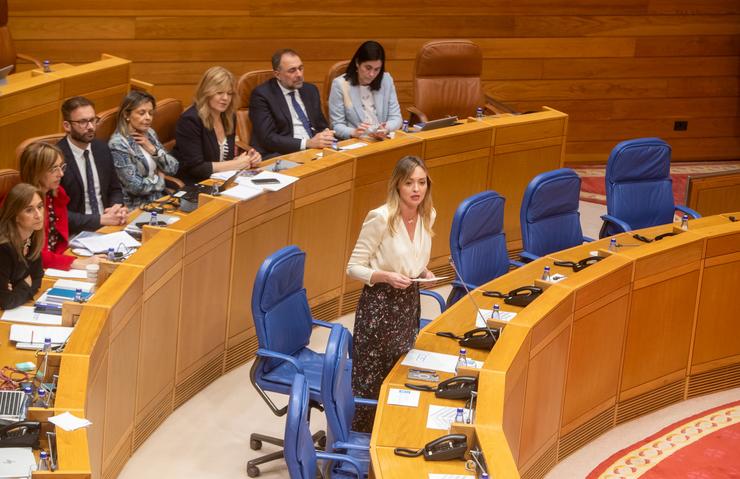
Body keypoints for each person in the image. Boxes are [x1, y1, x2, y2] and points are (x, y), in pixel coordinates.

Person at [346, 155, 436, 432]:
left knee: (399, 374)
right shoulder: (380, 218)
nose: (416, 189)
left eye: (421, 182)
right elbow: (353, 268)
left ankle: (393, 434)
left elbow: (412, 259)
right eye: (409, 183)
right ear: (397, 185)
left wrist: (423, 272)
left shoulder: (427, 215)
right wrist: (385, 276)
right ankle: (362, 445)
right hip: (380, 307)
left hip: (408, 304)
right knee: (373, 382)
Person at [173, 66, 262, 185]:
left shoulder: (229, 116)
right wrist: (236, 164)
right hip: (197, 184)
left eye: (229, 93)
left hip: (222, 180)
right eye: (219, 92)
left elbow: (224, 160)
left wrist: (250, 159)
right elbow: (196, 168)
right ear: (206, 92)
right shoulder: (190, 120)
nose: (225, 98)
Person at [19, 142, 100, 271]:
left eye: (62, 167)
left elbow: (59, 243)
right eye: (53, 169)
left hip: (58, 261)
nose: (61, 174)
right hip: (34, 270)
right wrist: (75, 263)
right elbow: (31, 254)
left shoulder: (57, 194)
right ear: (36, 171)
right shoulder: (22, 204)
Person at [57, 96, 128, 235]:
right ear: (67, 126)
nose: (90, 127)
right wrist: (99, 220)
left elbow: (115, 189)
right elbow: (59, 214)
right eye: (83, 122)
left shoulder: (101, 148)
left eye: (93, 120)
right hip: (77, 233)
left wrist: (116, 207)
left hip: (109, 224)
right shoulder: (57, 158)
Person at [249, 49, 333, 159]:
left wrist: (326, 134)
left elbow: (321, 125)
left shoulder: (310, 90)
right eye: (292, 70)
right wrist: (307, 143)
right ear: (277, 74)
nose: (299, 74)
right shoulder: (262, 95)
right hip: (283, 154)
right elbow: (268, 138)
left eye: (301, 68)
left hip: (315, 151)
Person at [109, 91, 180, 208]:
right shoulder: (118, 144)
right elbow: (136, 187)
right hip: (137, 206)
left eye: (150, 113)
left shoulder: (149, 133)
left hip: (160, 199)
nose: (148, 118)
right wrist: (160, 179)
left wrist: (153, 149)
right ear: (126, 115)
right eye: (142, 113)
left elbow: (173, 167)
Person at [329, 41, 402, 140]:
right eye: (368, 68)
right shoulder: (340, 85)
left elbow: (396, 118)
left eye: (377, 69)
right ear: (357, 63)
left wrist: (385, 128)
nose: (372, 74)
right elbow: (336, 125)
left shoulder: (386, 80)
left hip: (383, 139)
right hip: (358, 141)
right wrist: (353, 132)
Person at [0, 183, 45, 310]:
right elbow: (5, 301)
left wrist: (16, 288)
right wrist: (25, 285)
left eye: (40, 207)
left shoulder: (32, 238)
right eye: (29, 210)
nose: (38, 215)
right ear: (15, 216)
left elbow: (37, 278)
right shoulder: (4, 248)